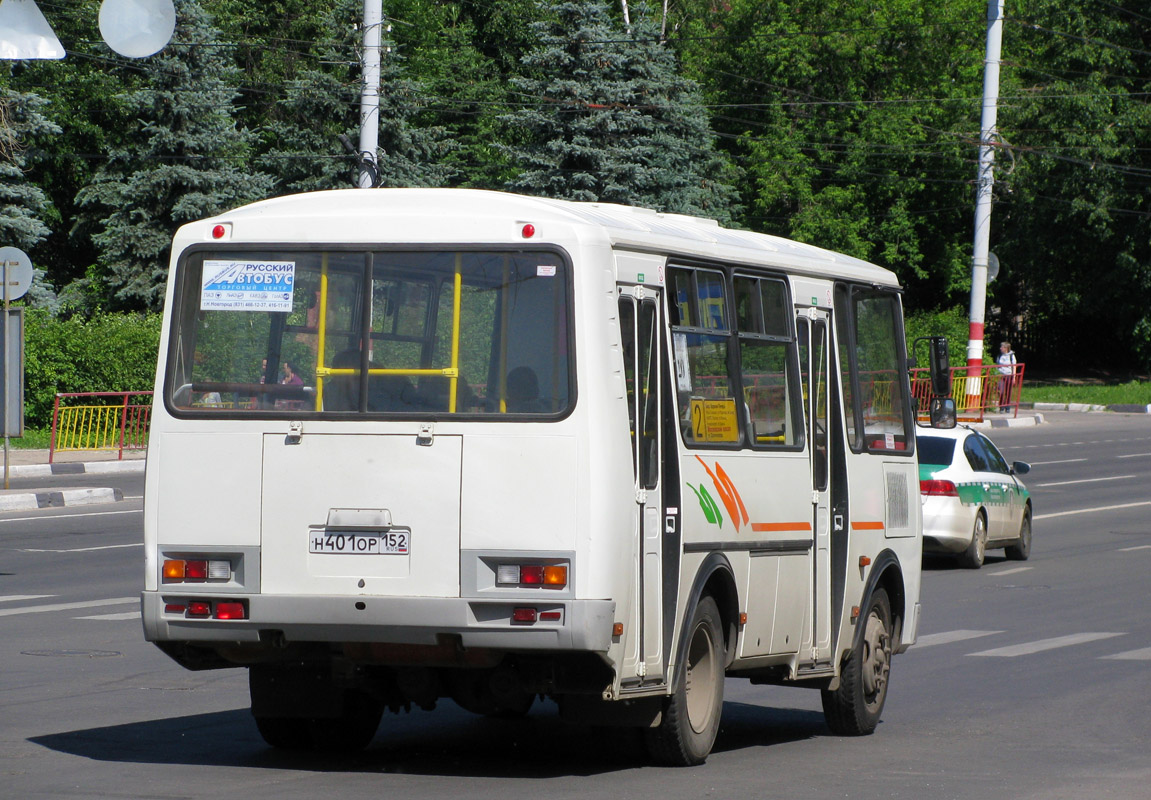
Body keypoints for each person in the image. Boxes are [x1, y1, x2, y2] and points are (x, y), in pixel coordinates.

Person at [996, 341, 1017, 412]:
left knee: (1008, 392)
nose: (1000, 348)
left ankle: (1007, 407)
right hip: (1001, 375)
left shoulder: (1011, 356)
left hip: (1009, 375)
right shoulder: (999, 356)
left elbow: (1014, 367)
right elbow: (997, 365)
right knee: (1001, 391)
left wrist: (1014, 377)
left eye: (1002, 347)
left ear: (1006, 348)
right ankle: (1001, 406)